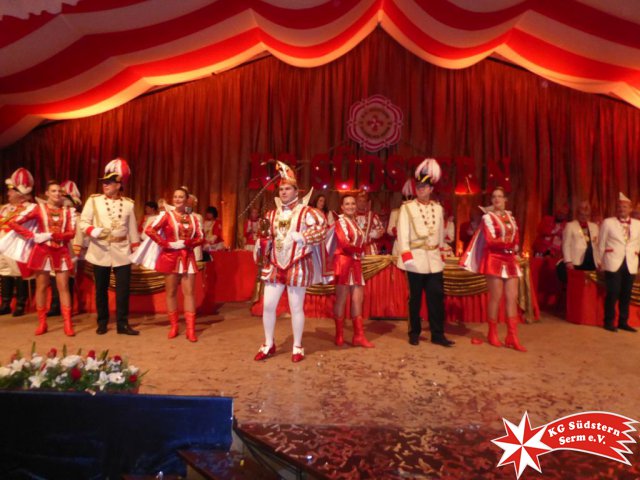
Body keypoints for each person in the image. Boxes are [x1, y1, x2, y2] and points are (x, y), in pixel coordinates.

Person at [253, 161, 328, 362]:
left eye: (288, 189)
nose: (284, 192)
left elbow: (321, 230)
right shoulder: (271, 214)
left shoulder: (308, 212)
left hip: (297, 263)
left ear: (297, 191)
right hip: (275, 264)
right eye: (281, 189)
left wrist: (303, 237)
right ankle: (268, 343)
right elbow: (265, 235)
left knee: (296, 307)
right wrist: (262, 242)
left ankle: (297, 346)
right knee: (268, 306)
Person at [1, 180, 77, 336]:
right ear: (47, 193)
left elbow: (71, 233)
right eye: (53, 191)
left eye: (59, 191)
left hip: (61, 251)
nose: (57, 194)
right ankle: (42, 322)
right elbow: (14, 223)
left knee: (63, 286)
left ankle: (68, 323)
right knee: (41, 286)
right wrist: (33, 236)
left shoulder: (68, 211)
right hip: (42, 251)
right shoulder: (39, 209)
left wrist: (53, 235)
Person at [132, 187, 204, 342]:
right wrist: (166, 244)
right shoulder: (167, 216)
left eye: (181, 197)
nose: (177, 199)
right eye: (175, 196)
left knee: (189, 292)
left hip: (187, 256)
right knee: (171, 292)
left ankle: (191, 329)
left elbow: (201, 237)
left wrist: (188, 243)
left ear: (186, 200)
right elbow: (150, 230)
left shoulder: (194, 218)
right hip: (170, 257)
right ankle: (174, 326)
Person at [396, 158, 454, 347]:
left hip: (434, 260)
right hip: (415, 259)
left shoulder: (438, 209)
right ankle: (414, 332)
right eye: (419, 187)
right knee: (415, 299)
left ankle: (438, 334)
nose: (421, 190)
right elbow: (402, 233)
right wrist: (406, 255)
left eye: (424, 187)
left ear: (431, 189)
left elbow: (440, 235)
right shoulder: (407, 208)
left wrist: (442, 253)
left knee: (436, 298)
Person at [79, 158, 141, 335]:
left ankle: (122, 324)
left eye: (110, 181)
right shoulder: (94, 200)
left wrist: (136, 251)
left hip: (122, 250)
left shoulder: (128, 204)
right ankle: (102, 322)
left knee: (123, 290)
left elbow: (132, 229)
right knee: (101, 289)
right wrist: (93, 230)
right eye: (104, 181)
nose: (105, 184)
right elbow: (83, 222)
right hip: (100, 250)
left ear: (119, 184)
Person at [460, 187, 526, 352]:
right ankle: (492, 333)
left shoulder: (510, 217)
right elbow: (490, 240)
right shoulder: (487, 218)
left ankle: (512, 336)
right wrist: (509, 243)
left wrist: (514, 247)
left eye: (500, 196)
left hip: (510, 259)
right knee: (496, 297)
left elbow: (516, 238)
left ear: (505, 199)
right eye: (494, 196)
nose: (497, 199)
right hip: (495, 259)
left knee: (512, 297)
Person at [332, 194, 374, 348]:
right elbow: (344, 243)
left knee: (357, 299)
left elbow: (358, 244)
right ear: (342, 207)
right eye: (347, 204)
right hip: (343, 263)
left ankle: (359, 336)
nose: (350, 206)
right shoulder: (340, 222)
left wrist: (360, 252)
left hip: (355, 263)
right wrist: (360, 250)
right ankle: (339, 335)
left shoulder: (354, 222)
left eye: (353, 203)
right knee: (341, 299)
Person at [597, 193, 640, 333]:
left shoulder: (638, 224)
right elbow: (601, 243)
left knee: (626, 293)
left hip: (630, 262)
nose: (622, 209)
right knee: (613, 292)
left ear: (630, 209)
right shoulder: (608, 222)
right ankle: (608, 321)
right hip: (612, 261)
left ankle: (623, 322)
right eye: (620, 206)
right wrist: (599, 262)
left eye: (625, 207)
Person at [0, 168, 34, 317]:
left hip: (17, 245)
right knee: (4, 272)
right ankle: (6, 303)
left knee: (19, 273)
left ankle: (21, 303)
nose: (8, 193)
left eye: (11, 190)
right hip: (2, 245)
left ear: (19, 193)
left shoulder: (29, 208)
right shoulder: (5, 208)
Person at [47, 180, 83, 316]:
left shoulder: (75, 217)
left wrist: (75, 253)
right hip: (55, 248)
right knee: (53, 276)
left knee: (68, 279)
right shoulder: (56, 213)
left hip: (70, 250)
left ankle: (68, 307)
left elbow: (78, 236)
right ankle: (55, 305)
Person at [562, 200, 599, 272]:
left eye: (586, 215)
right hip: (577, 261)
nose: (584, 217)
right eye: (582, 214)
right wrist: (568, 261)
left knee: (591, 279)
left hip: (592, 260)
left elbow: (597, 244)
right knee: (578, 278)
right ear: (577, 214)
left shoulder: (594, 226)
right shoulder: (570, 226)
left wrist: (599, 260)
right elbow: (566, 244)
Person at [355, 191, 384, 255]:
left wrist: (375, 234)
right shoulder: (351, 215)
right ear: (356, 202)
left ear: (367, 203)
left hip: (370, 249)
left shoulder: (372, 216)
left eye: (364, 201)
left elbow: (381, 230)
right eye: (359, 201)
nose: (362, 203)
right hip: (354, 249)